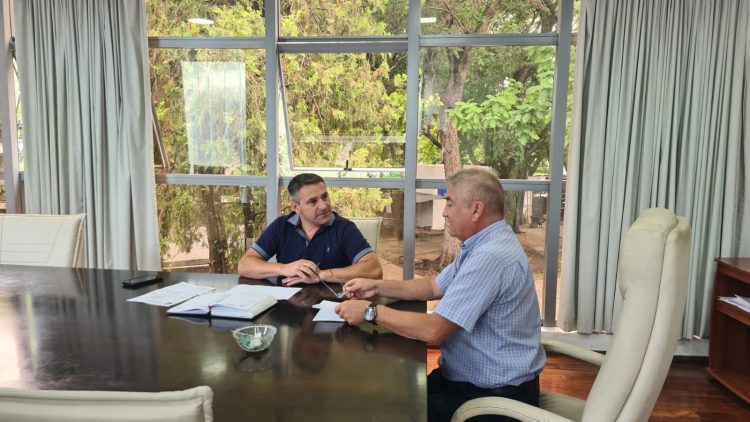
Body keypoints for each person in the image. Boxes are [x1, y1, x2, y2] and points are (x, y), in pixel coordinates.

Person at [335, 168, 545, 422]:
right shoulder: (485, 243)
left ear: (476, 210)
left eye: (450, 203)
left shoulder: (490, 257)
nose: (444, 212)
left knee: (389, 412)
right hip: (466, 379)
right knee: (394, 397)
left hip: (493, 397)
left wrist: (370, 312)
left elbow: (434, 330)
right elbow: (433, 286)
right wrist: (376, 287)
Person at [238, 173, 383, 286]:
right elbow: (245, 265)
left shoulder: (345, 228)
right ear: (296, 207)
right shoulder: (281, 226)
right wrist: (284, 269)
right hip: (288, 306)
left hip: (334, 305)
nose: (324, 205)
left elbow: (374, 269)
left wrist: (320, 275)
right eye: (313, 201)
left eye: (325, 197)